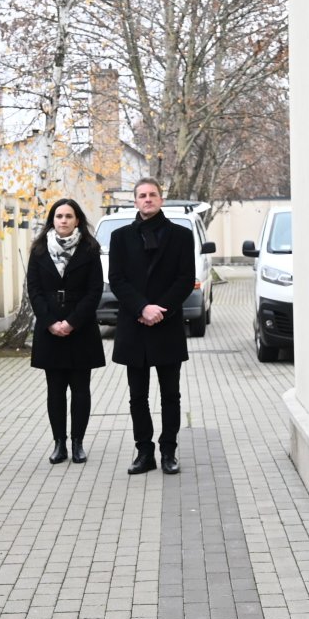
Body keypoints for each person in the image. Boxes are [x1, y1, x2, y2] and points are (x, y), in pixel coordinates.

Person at [108, 177, 194, 475]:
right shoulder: (120, 237)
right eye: (142, 195)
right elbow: (117, 279)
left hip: (166, 325)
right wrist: (142, 307)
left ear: (161, 199)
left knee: (171, 394)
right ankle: (144, 452)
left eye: (152, 195)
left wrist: (160, 310)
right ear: (135, 201)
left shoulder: (181, 236)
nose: (147, 199)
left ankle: (169, 451)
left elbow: (185, 279)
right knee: (137, 396)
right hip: (134, 325)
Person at [26, 198, 104, 464]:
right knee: (55, 390)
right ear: (52, 220)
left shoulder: (90, 249)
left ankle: (78, 443)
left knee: (81, 389)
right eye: (59, 216)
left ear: (77, 220)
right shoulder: (39, 250)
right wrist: (50, 322)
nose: (63, 220)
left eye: (69, 216)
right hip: (49, 329)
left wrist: (71, 322)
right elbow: (34, 290)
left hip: (81, 329)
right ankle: (59, 443)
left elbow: (95, 290)